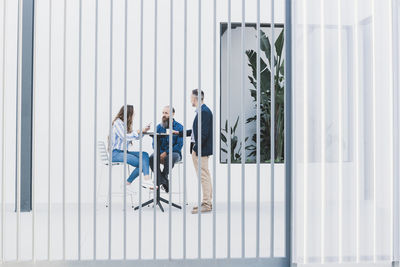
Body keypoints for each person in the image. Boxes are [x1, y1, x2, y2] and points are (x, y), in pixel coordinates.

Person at [175, 89, 213, 214]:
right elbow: (195, 132)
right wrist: (179, 133)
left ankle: (207, 204)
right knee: (204, 175)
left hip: (200, 150)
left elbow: (204, 134)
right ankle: (206, 202)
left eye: (191, 98)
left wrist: (196, 148)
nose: (190, 100)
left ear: (196, 98)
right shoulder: (201, 112)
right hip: (198, 149)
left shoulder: (205, 112)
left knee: (204, 176)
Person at [111, 105, 152, 186]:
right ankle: (146, 180)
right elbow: (125, 137)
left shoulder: (125, 124)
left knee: (144, 155)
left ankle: (128, 183)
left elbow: (135, 137)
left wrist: (143, 131)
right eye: (133, 114)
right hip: (116, 154)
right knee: (143, 163)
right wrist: (139, 131)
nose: (134, 115)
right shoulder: (118, 123)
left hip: (124, 152)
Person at [149, 106, 183, 193]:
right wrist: (160, 153)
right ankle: (164, 181)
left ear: (172, 114)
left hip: (175, 153)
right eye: (163, 113)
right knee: (152, 158)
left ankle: (162, 178)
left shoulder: (179, 127)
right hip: (160, 153)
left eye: (166, 113)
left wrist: (166, 153)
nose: (164, 115)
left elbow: (179, 146)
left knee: (170, 157)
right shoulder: (158, 127)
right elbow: (154, 144)